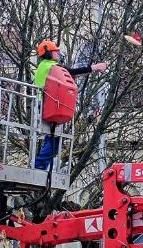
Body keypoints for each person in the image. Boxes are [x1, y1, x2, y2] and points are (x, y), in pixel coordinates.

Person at [34, 40, 107, 170]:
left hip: (43, 104)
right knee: (54, 141)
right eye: (55, 51)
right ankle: (39, 166)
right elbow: (73, 72)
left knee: (51, 138)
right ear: (48, 53)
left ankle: (41, 166)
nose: (58, 53)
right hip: (48, 105)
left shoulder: (43, 66)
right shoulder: (51, 66)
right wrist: (95, 67)